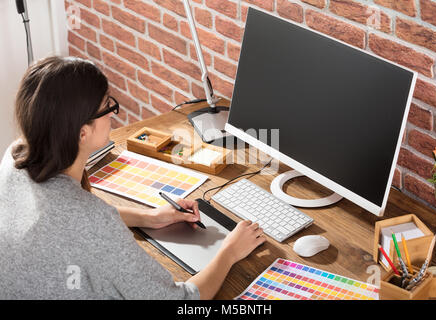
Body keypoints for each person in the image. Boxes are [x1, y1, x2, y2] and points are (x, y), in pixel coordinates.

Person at [0, 56, 265, 299]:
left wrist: (149, 217)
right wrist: (229, 251)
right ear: (82, 132)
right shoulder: (92, 222)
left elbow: (70, 220)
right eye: (107, 107)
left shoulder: (15, 158)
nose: (113, 113)